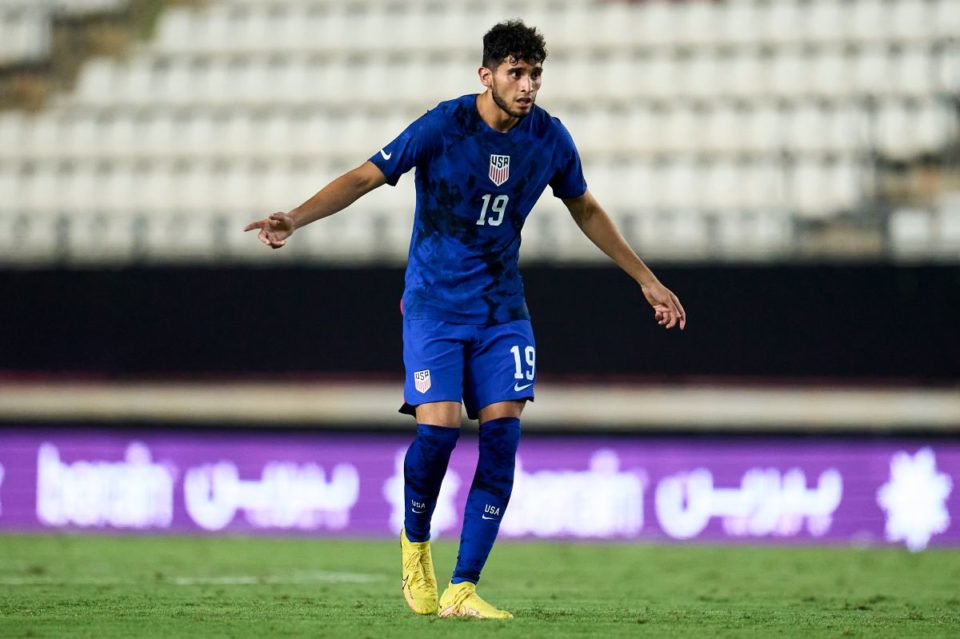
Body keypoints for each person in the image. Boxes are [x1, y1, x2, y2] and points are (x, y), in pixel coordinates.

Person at [245, 20, 686, 619]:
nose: (527, 86)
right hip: (434, 305)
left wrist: (646, 278)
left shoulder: (549, 138)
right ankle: (415, 544)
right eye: (516, 73)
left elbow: (584, 205)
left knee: (502, 436)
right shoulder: (443, 126)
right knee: (440, 432)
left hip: (502, 309)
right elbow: (363, 176)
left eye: (534, 75)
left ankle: (463, 587)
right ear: (486, 75)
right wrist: (294, 218)